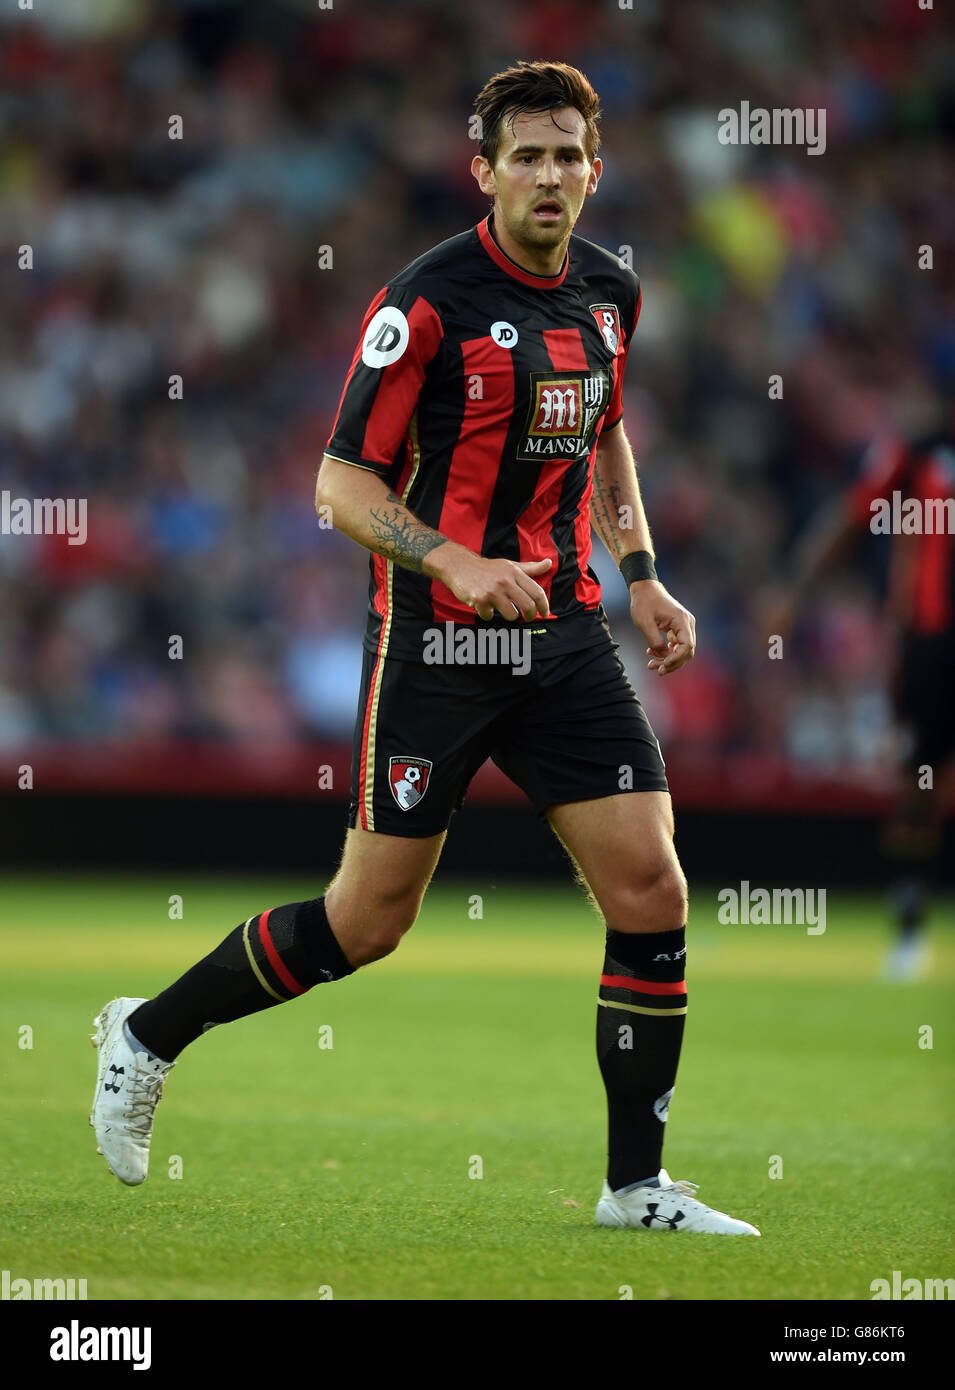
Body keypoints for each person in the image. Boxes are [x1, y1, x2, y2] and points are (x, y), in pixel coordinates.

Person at [90, 60, 759, 1236]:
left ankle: (634, 1184)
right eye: (528, 156)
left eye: (568, 156)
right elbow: (338, 482)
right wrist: (450, 560)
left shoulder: (610, 293)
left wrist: (641, 577)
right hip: (435, 648)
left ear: (594, 171)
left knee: (652, 886)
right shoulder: (428, 301)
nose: (550, 176)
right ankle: (146, 1034)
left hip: (561, 638)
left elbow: (606, 438)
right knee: (368, 921)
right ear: (484, 171)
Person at [765, 419, 954, 980]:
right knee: (918, 784)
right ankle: (910, 931)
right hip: (932, 647)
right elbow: (851, 517)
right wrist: (793, 590)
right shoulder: (919, 453)